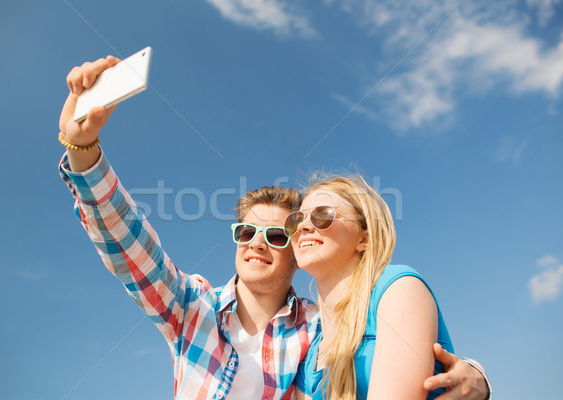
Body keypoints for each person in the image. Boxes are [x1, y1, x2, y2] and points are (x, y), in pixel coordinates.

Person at [58, 55, 491, 399]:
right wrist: (82, 150)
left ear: (297, 251)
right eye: (246, 232)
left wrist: (475, 374)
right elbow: (127, 242)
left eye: (277, 234)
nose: (257, 244)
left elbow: (380, 341)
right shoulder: (190, 308)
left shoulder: (318, 333)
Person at [286, 175, 491, 399]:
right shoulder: (310, 352)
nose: (303, 227)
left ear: (363, 239)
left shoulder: (397, 289)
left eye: (322, 215)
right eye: (295, 221)